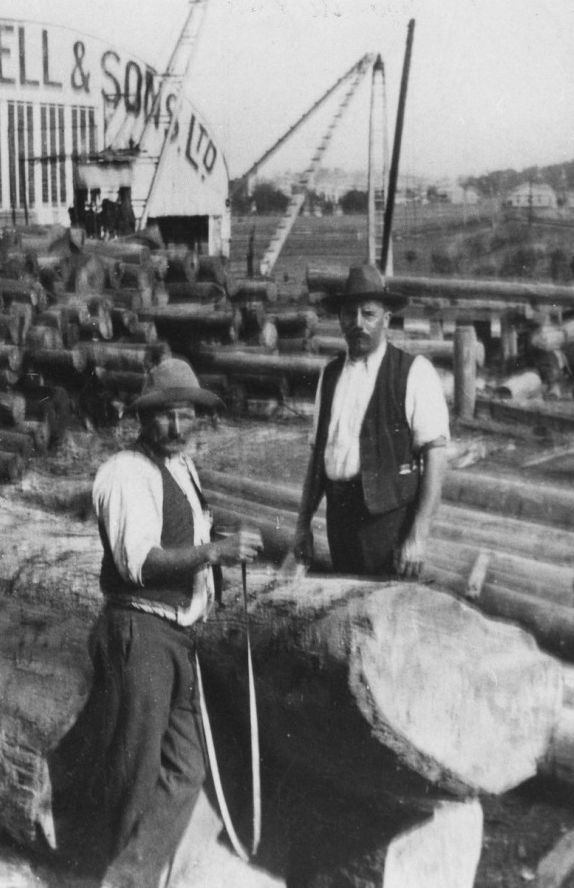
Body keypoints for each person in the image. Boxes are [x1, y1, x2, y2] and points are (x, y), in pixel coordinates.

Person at [77, 357, 262, 887]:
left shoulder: (182, 468)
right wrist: (213, 551)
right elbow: (139, 563)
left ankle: (127, 878)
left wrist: (219, 554)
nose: (178, 428)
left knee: (187, 770)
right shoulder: (124, 473)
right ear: (143, 418)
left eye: (187, 416)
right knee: (133, 774)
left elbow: (188, 540)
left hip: (178, 638)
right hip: (140, 634)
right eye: (166, 417)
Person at [292, 264, 449, 578]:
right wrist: (302, 525)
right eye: (349, 314)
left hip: (388, 525)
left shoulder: (414, 372)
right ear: (340, 319)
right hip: (340, 521)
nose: (358, 323)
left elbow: (436, 456)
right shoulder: (330, 375)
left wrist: (418, 535)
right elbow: (317, 458)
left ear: (386, 319)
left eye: (369, 314)